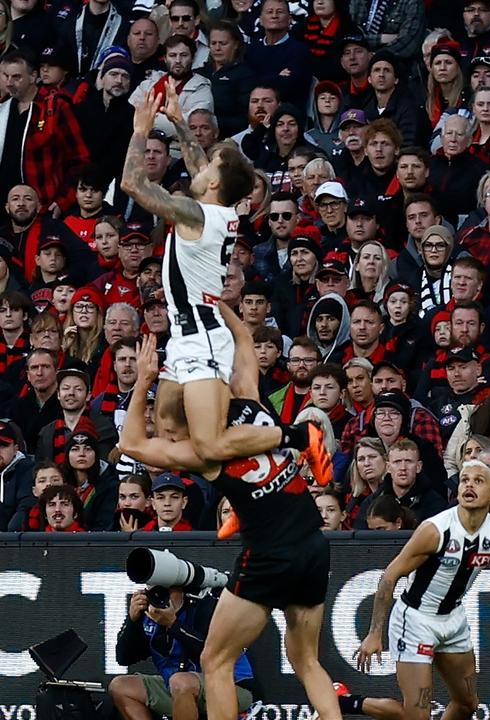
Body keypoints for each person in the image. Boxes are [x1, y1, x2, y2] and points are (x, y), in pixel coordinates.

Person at [117, 302, 344, 720]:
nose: (167, 435)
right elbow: (243, 344)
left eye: (169, 427)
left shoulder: (204, 450)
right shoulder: (251, 402)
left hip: (269, 554)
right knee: (306, 661)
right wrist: (221, 310)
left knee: (215, 661)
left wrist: (144, 380)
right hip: (313, 543)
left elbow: (131, 443)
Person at [119, 85, 332, 487]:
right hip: (187, 332)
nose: (199, 167)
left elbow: (133, 184)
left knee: (210, 445)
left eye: (209, 166)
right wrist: (181, 122)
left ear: (214, 182)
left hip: (202, 336)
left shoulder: (197, 214)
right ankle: (242, 473)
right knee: (169, 431)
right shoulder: (218, 210)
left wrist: (141, 130)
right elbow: (206, 166)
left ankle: (299, 436)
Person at [351, 460, 490, 720]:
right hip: (416, 620)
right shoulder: (435, 530)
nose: (469, 484)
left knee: (467, 704)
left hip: (453, 619)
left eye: (478, 481)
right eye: (465, 479)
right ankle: (348, 701)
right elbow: (389, 577)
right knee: (418, 714)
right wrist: (375, 633)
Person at [110, 583, 255, 720]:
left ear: (181, 590)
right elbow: (124, 658)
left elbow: (212, 655)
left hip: (230, 686)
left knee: (180, 681)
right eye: (156, 592)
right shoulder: (150, 616)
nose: (162, 599)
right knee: (121, 686)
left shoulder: (203, 606)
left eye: (167, 592)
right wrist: (132, 621)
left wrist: (174, 625)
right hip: (178, 689)